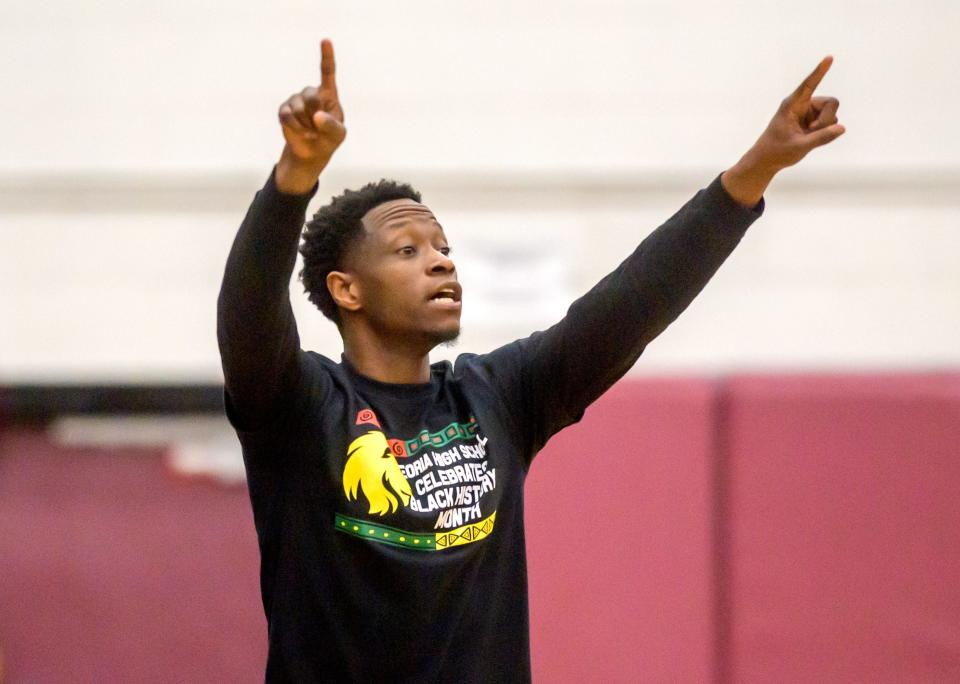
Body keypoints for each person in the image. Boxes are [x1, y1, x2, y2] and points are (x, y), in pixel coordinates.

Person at [217, 38, 843, 682]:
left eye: (442, 246)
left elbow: (627, 307)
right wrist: (294, 178)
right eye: (408, 250)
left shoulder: (495, 396)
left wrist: (755, 170)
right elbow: (247, 319)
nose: (441, 260)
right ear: (347, 289)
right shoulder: (304, 407)